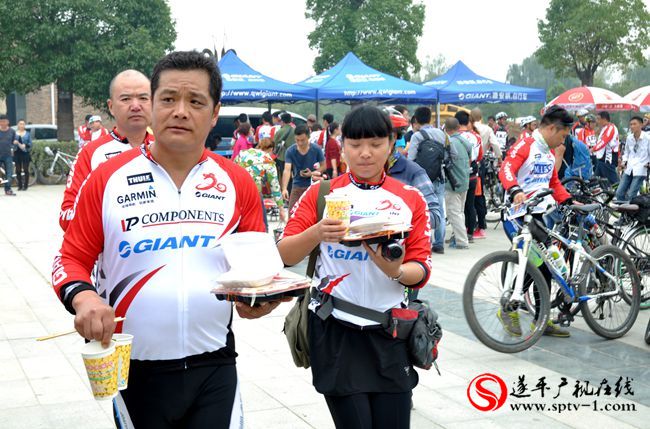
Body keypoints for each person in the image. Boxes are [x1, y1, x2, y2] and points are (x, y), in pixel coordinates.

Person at [52, 50, 285, 429]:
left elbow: (256, 269)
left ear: (214, 113)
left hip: (214, 366)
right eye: (168, 99)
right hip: (136, 369)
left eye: (195, 101)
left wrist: (259, 299)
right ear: (153, 106)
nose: (180, 111)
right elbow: (69, 258)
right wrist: (85, 297)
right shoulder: (107, 178)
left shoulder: (237, 181)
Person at [277, 105, 432, 429]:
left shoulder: (410, 198)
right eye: (356, 144)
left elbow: (421, 265)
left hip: (390, 334)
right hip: (334, 330)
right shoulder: (321, 194)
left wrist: (396, 271)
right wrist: (317, 232)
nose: (365, 154)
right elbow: (284, 255)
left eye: (375, 144)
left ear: (391, 144)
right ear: (342, 145)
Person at [498, 106, 574, 338]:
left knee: (547, 266)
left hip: (537, 215)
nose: (563, 141)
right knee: (537, 264)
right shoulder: (525, 145)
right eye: (562, 136)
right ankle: (508, 309)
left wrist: (571, 202)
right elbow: (506, 169)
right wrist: (515, 190)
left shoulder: (549, 153)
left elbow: (553, 183)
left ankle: (541, 320)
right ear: (551, 128)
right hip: (516, 215)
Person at [59, 69, 155, 231]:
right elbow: (66, 217)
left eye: (143, 98)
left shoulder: (168, 149)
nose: (135, 106)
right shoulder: (91, 153)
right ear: (111, 107)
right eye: (125, 99)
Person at [386, 114, 441, 249]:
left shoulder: (413, 173)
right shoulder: (361, 173)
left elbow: (434, 216)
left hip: (406, 252)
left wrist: (396, 217)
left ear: (394, 138)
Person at [407, 106, 447, 254]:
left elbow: (411, 160)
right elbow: (452, 155)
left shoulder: (416, 136)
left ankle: (426, 242)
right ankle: (439, 243)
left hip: (421, 180)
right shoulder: (441, 134)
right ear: (430, 119)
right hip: (439, 177)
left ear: (416, 120)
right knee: (439, 210)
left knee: (424, 210)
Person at [234, 137, 287, 226]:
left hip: (238, 192)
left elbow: (233, 169)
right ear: (271, 149)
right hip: (254, 193)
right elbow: (275, 186)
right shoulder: (268, 161)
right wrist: (281, 209)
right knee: (262, 225)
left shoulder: (242, 153)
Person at [282, 124, 325, 211]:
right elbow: (287, 170)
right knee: (292, 214)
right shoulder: (290, 151)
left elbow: (324, 166)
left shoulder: (316, 149)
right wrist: (284, 188)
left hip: (313, 186)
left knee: (314, 213)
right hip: (297, 186)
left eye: (303, 140)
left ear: (308, 137)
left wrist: (312, 173)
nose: (300, 143)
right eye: (297, 140)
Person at [444, 118, 472, 249]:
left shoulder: (449, 142)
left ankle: (462, 241)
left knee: (453, 213)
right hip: (465, 180)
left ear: (446, 129)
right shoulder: (466, 141)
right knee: (460, 212)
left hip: (452, 182)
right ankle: (457, 238)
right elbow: (471, 159)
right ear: (458, 127)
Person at [456, 111, 484, 242]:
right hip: (473, 173)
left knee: (458, 207)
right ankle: (470, 233)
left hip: (457, 175)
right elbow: (480, 156)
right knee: (470, 204)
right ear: (468, 122)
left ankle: (459, 234)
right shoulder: (476, 137)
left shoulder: (454, 137)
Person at [615, 116, 650, 201]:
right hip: (629, 169)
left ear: (641, 125)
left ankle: (632, 213)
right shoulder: (629, 138)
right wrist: (624, 161)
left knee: (631, 195)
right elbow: (626, 152)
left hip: (640, 169)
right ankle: (624, 212)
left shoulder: (647, 138)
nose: (632, 126)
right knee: (619, 193)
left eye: (635, 124)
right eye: (631, 124)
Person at [592, 111, 620, 185]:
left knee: (614, 182)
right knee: (596, 181)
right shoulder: (605, 128)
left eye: (598, 119)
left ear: (604, 119)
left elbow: (604, 141)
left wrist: (593, 149)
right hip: (601, 159)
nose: (597, 121)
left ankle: (621, 195)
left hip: (608, 158)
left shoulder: (611, 128)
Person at [273, 112, 295, 179]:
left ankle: (285, 188)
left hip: (282, 157)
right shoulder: (295, 130)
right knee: (292, 174)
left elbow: (274, 143)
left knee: (284, 175)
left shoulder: (279, 131)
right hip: (293, 156)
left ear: (282, 121)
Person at [0, 114, 18, 196]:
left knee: (9, 173)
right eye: (1, 121)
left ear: (8, 122)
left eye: (5, 121)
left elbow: (15, 142)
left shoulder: (12, 131)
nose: (3, 123)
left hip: (8, 156)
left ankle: (8, 189)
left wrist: (14, 147)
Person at [13, 119, 33, 191]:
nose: (22, 125)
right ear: (18, 125)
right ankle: (20, 185)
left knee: (25, 169)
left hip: (25, 153)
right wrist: (14, 143)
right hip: (17, 153)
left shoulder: (27, 134)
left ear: (25, 125)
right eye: (20, 124)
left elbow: (31, 144)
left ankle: (26, 185)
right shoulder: (14, 133)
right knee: (17, 170)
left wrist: (26, 145)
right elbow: (11, 143)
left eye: (23, 124)